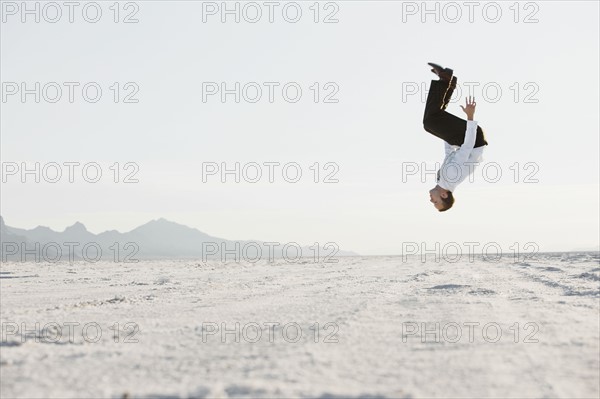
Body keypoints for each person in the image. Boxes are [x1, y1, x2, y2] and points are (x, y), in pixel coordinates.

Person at [423, 62, 488, 212]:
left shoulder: (442, 180)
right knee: (430, 121)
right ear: (444, 195)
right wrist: (470, 117)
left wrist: (443, 131)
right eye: (436, 202)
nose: (431, 200)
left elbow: (449, 152)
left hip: (465, 140)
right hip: (473, 139)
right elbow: (466, 148)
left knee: (431, 122)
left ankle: (447, 83)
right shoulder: (452, 177)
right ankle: (446, 82)